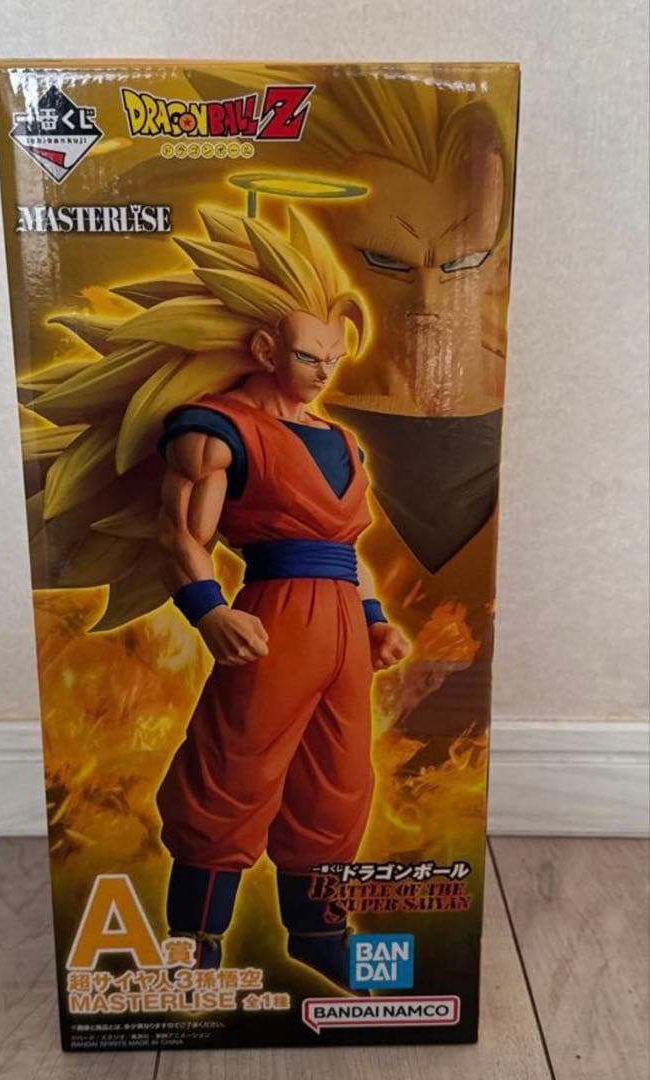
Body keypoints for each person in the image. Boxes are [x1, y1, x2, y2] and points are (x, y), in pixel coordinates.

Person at [148, 212, 409, 988]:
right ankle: (196, 941)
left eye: (332, 357)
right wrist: (209, 610)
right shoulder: (216, 428)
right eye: (306, 356)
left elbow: (349, 550)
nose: (323, 371)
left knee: (338, 783)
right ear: (265, 350)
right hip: (275, 616)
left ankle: (319, 935)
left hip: (343, 624)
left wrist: (375, 621)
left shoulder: (341, 439)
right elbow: (179, 534)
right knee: (233, 771)